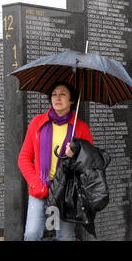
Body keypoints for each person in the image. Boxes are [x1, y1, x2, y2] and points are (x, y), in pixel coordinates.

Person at [18, 82, 93, 241]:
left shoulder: (80, 128)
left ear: (72, 100)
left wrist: (75, 155)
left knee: (65, 236)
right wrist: (35, 183)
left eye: (63, 94)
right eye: (54, 94)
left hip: (66, 192)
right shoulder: (38, 123)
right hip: (40, 188)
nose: (57, 98)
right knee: (31, 234)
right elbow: (24, 157)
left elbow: (89, 164)